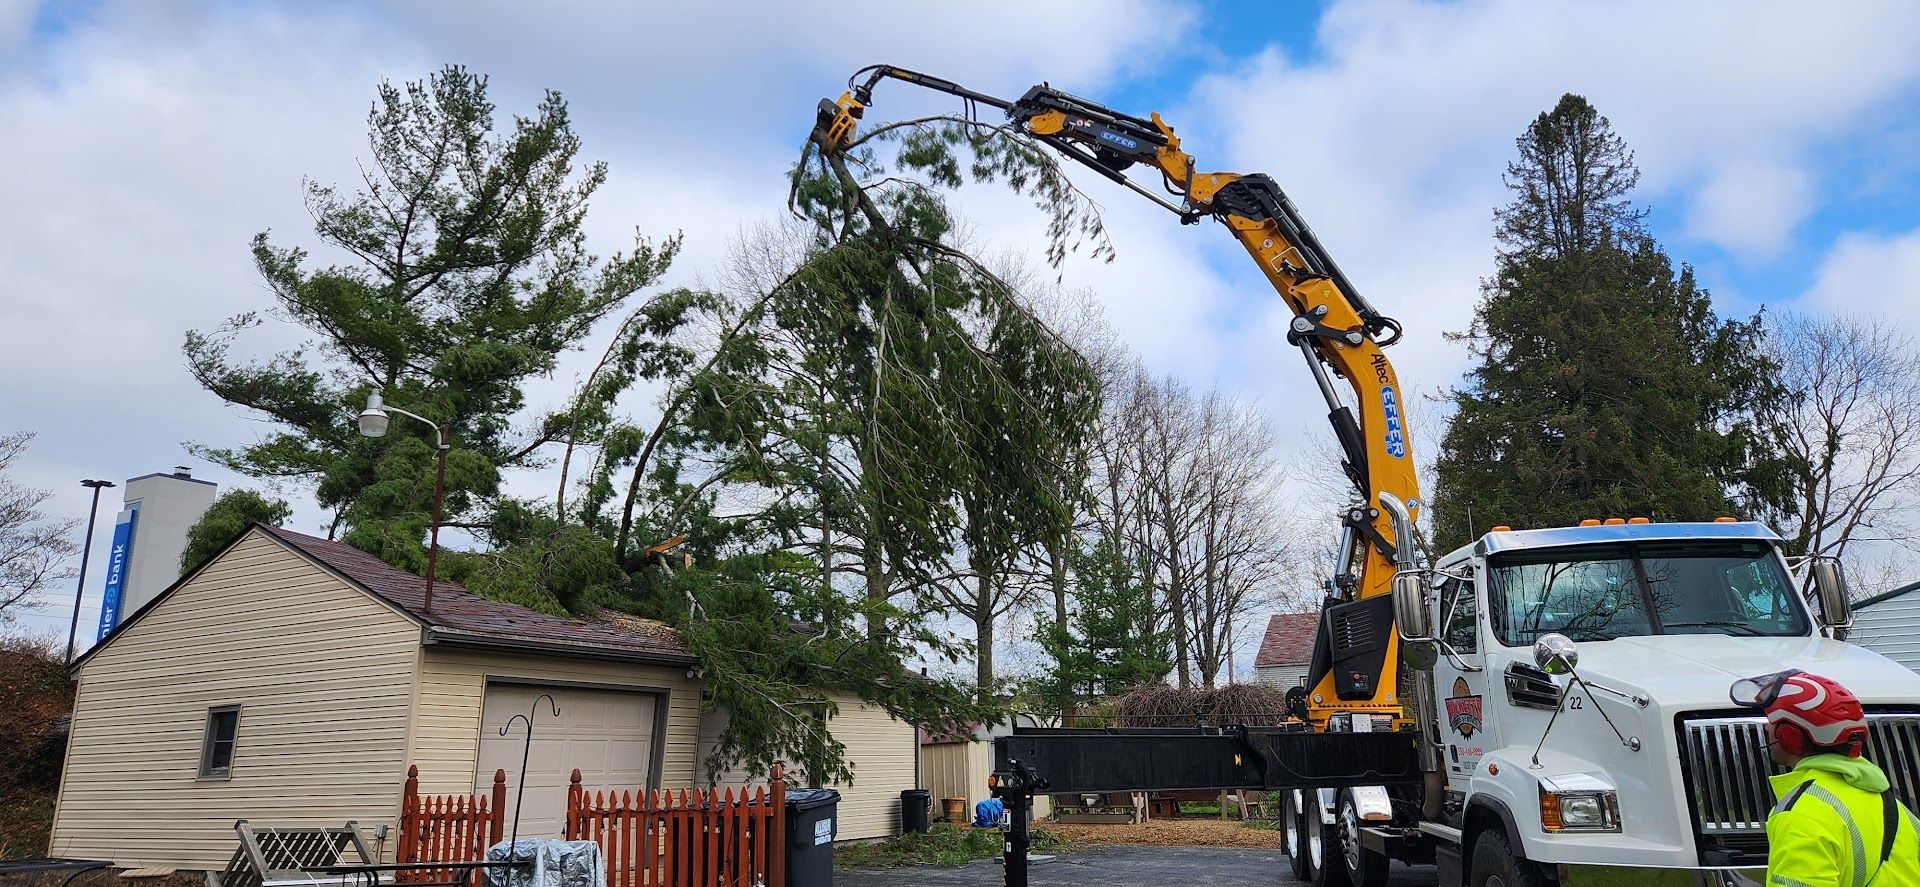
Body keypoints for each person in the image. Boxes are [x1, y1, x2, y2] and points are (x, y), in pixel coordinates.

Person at [1730, 670, 1920, 886]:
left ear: (1790, 735)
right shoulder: (1892, 805)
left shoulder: (1801, 814)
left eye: (1772, 721)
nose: (1766, 727)